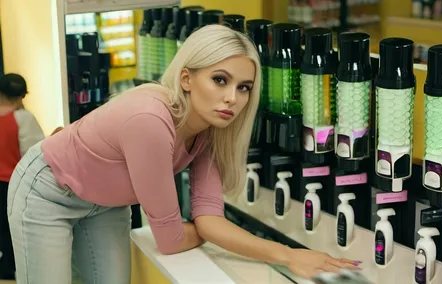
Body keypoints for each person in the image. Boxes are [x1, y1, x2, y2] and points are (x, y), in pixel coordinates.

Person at [8, 25, 359, 284]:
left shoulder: (208, 131)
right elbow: (172, 239)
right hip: (49, 192)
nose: (232, 99)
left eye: (243, 88)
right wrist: (206, 231)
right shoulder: (151, 121)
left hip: (106, 203)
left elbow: (207, 220)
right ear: (188, 78)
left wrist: (290, 256)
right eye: (220, 80)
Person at [0, 73, 44, 280]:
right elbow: (34, 154)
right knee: (14, 232)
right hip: (11, 184)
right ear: (21, 96)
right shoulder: (23, 119)